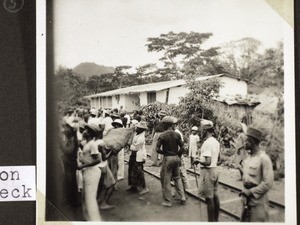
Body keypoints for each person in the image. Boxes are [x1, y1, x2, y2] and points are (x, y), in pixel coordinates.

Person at [239, 127, 274, 222]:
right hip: (246, 201)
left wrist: (250, 192)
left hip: (258, 203)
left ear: (253, 142)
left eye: (246, 141)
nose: (244, 143)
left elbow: (268, 183)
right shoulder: (249, 157)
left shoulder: (264, 159)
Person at [193, 119, 220, 222]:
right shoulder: (216, 142)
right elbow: (218, 159)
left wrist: (198, 160)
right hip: (215, 170)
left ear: (206, 131)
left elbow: (207, 162)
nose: (201, 132)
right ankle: (216, 220)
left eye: (202, 130)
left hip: (208, 171)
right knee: (215, 196)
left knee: (209, 199)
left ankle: (211, 222)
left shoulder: (207, 143)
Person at [156, 116, 186, 207]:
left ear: (165, 125)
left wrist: (164, 152)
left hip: (168, 158)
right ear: (171, 125)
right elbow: (183, 148)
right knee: (177, 178)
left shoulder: (162, 135)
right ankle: (182, 197)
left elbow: (157, 149)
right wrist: (178, 155)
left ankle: (167, 201)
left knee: (166, 179)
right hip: (176, 157)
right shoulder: (177, 135)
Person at [77, 124, 102, 221]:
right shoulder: (87, 143)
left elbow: (98, 160)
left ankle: (95, 220)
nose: (84, 131)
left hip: (92, 172)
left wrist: (83, 166)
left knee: (90, 198)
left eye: (86, 130)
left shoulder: (92, 144)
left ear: (90, 134)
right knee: (86, 197)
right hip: (87, 171)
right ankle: (87, 219)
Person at [59, 122, 79, 208]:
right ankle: (71, 201)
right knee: (70, 182)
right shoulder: (71, 139)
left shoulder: (72, 140)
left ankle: (71, 202)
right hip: (69, 164)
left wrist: (61, 144)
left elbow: (68, 151)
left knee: (70, 182)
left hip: (70, 164)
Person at [127, 121, 149, 195]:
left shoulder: (141, 138)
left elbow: (135, 148)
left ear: (141, 129)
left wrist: (129, 145)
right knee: (132, 171)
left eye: (138, 128)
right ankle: (134, 186)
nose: (136, 129)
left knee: (139, 172)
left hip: (139, 155)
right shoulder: (137, 134)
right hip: (134, 155)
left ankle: (144, 187)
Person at [174, 120, 190, 191]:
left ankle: (186, 189)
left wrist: (179, 156)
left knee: (182, 172)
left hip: (179, 154)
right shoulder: (174, 132)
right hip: (175, 154)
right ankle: (180, 190)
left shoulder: (177, 133)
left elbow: (181, 146)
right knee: (177, 173)